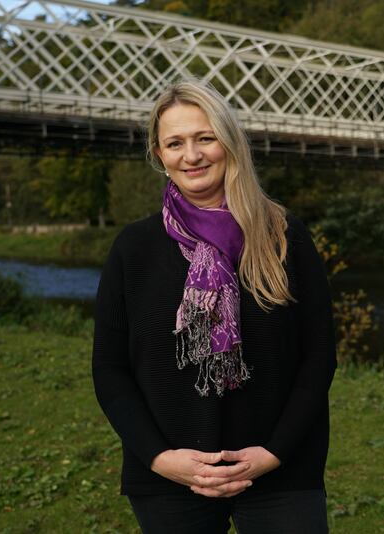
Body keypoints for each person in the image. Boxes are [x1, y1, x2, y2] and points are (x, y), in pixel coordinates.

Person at [91, 79, 337, 533]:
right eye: (175, 143)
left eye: (205, 138)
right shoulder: (134, 248)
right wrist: (160, 458)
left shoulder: (284, 235)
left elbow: (318, 355)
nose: (192, 155)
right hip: (170, 477)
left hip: (281, 470)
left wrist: (275, 452)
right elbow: (109, 369)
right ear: (159, 155)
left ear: (229, 142)